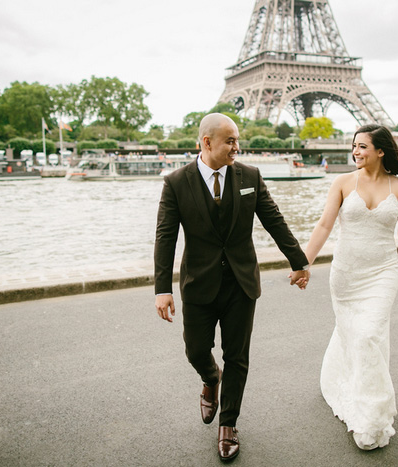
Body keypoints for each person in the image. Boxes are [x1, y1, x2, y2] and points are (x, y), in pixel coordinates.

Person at [154, 113, 310, 461]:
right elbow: (165, 236)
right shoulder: (176, 181)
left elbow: (273, 219)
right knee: (195, 350)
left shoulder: (249, 176)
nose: (237, 147)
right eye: (230, 141)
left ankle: (228, 425)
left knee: (237, 357)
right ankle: (211, 379)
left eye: (237, 140)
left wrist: (298, 260)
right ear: (207, 143)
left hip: (241, 282)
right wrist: (161, 287)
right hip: (198, 283)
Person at [303, 123, 398, 450]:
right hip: (347, 275)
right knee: (353, 332)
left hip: (382, 272)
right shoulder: (341, 182)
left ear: (381, 151)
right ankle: (351, 385)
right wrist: (304, 263)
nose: (355, 151)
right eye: (354, 146)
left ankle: (373, 413)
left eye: (362, 146)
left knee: (369, 334)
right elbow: (325, 224)